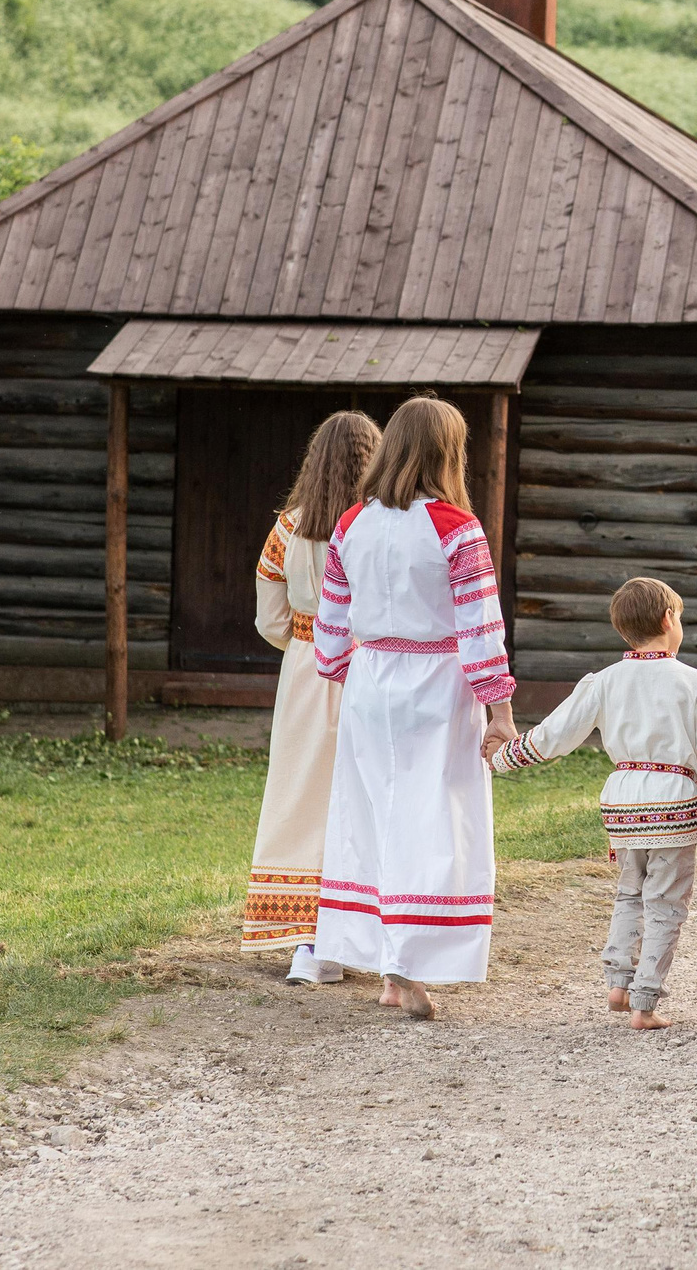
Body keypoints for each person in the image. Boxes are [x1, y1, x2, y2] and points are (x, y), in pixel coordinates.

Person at [311, 397, 516, 1021]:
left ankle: (388, 964)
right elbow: (481, 627)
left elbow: (330, 630)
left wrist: (352, 678)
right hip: (438, 682)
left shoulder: (351, 524)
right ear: (447, 453)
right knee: (433, 820)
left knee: (374, 814)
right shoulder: (458, 529)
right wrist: (500, 709)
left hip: (372, 681)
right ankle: (406, 969)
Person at [489, 576, 697, 1030]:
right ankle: (644, 1003)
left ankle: (618, 983)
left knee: (629, 892)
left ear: (623, 631)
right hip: (673, 806)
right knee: (666, 902)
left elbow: (554, 734)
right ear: (669, 619)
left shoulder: (602, 682)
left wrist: (503, 757)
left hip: (622, 806)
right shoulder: (696, 684)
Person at [244, 409, 381, 984]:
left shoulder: (288, 527)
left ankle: (309, 943)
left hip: (306, 673)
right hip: (373, 669)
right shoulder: (380, 523)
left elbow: (269, 619)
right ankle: (364, 934)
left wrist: (305, 639)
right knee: (365, 794)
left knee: (303, 797)